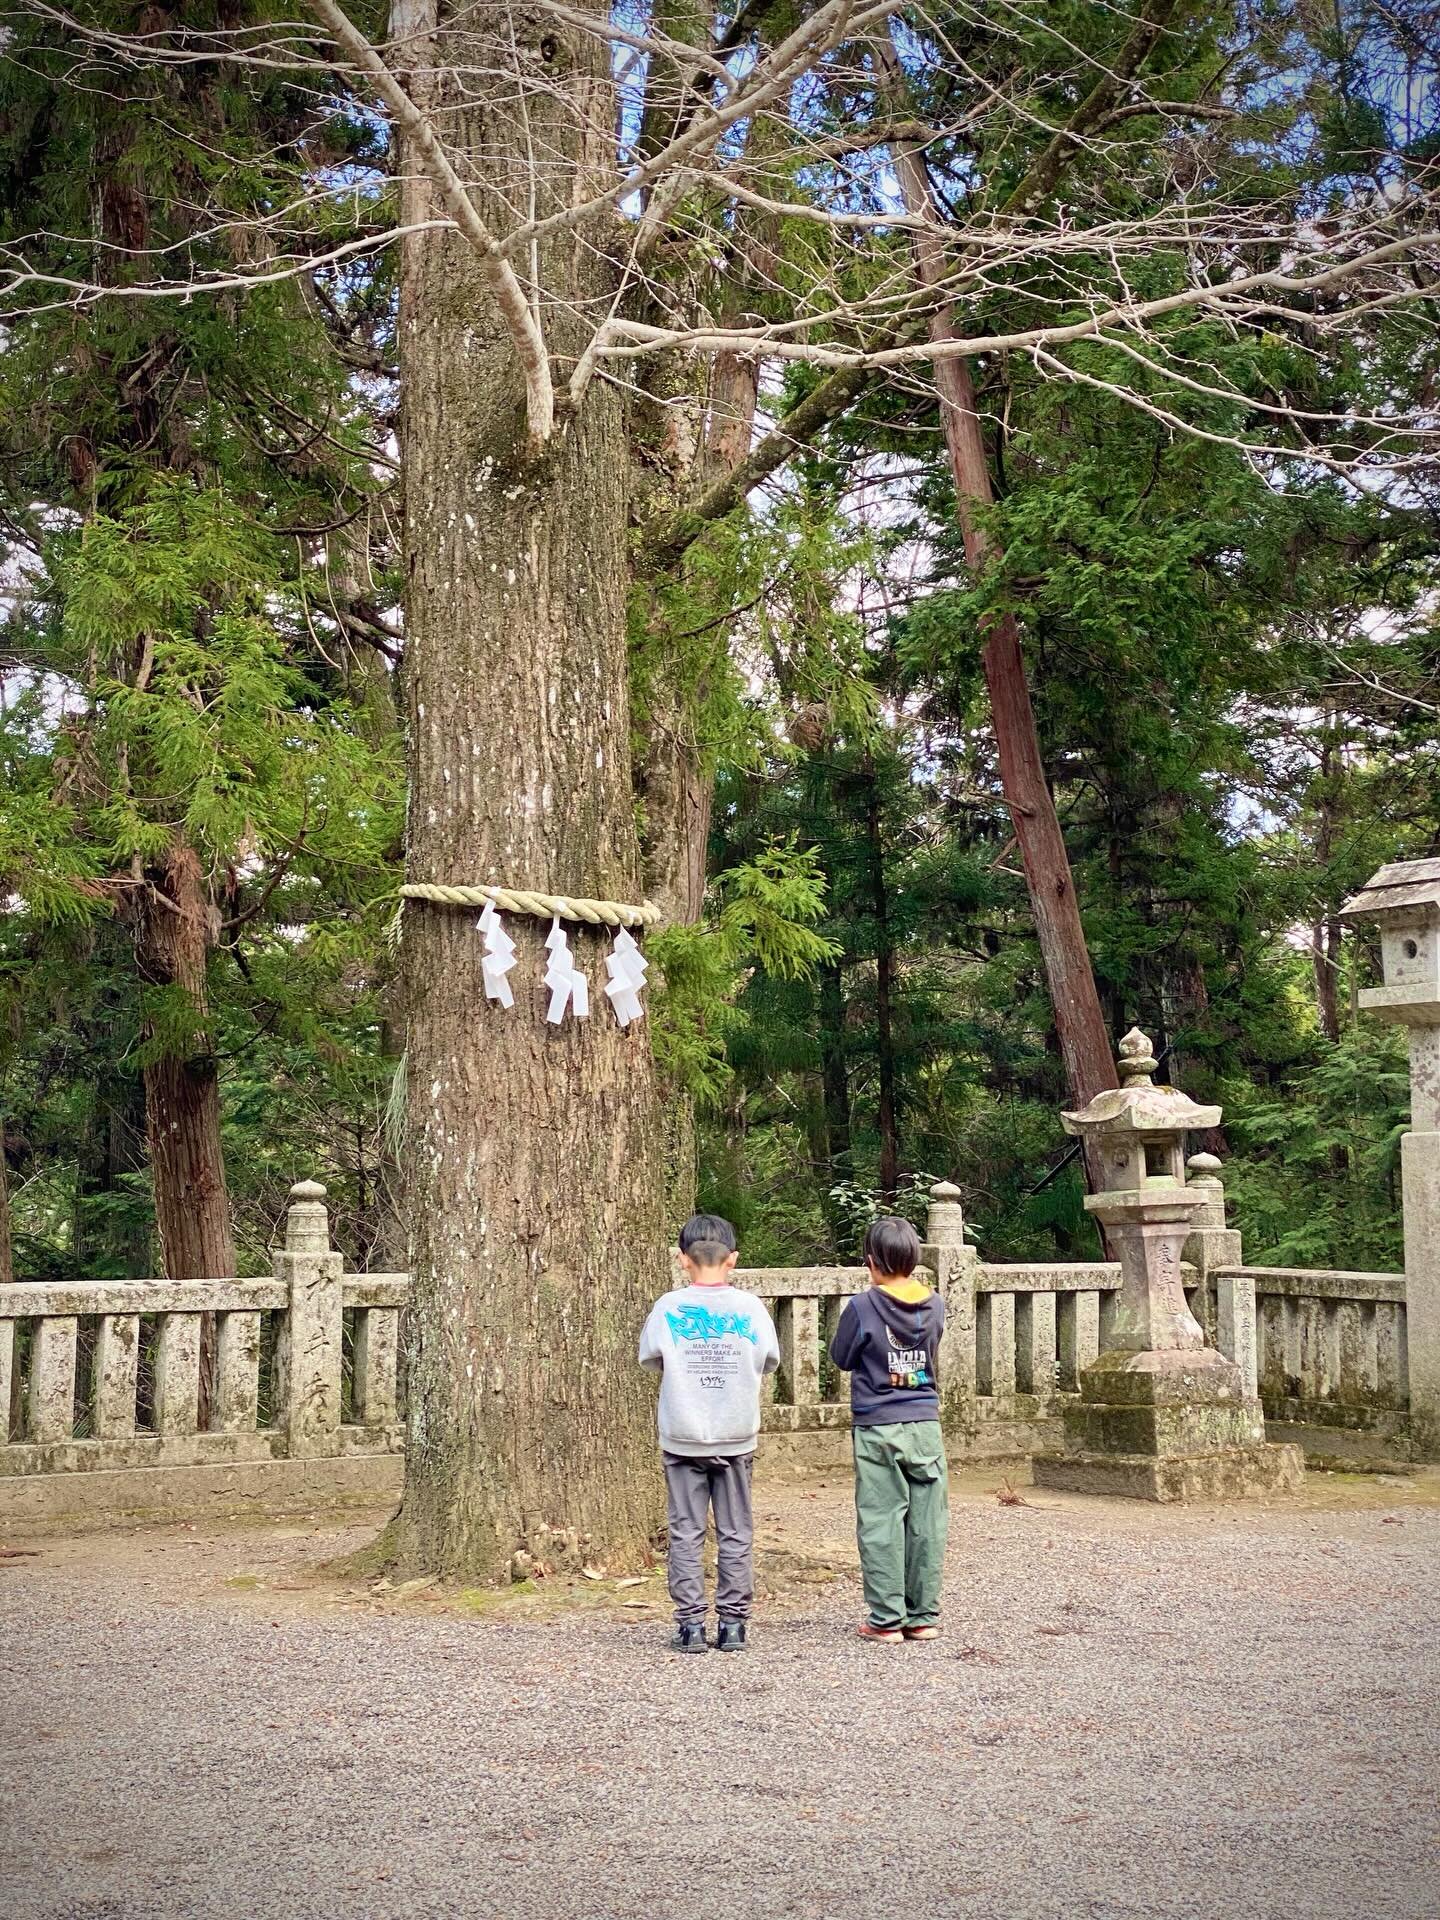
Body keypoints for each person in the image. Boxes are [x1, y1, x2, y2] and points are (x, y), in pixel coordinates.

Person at [639, 1213, 779, 1654]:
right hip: (735, 1434)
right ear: (732, 1260)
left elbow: (651, 1358)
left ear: (684, 1260)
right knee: (736, 1529)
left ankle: (690, 1625)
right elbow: (769, 1359)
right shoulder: (751, 1309)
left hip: (682, 1434)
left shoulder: (668, 1307)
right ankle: (734, 1624)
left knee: (685, 1530)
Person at [829, 1216, 948, 1643]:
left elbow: (842, 1357)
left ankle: (885, 1618)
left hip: (877, 1423)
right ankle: (923, 1616)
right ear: (914, 1258)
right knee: (927, 1520)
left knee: (882, 1518)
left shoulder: (863, 1306)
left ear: (871, 1261)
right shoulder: (935, 1303)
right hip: (924, 1423)